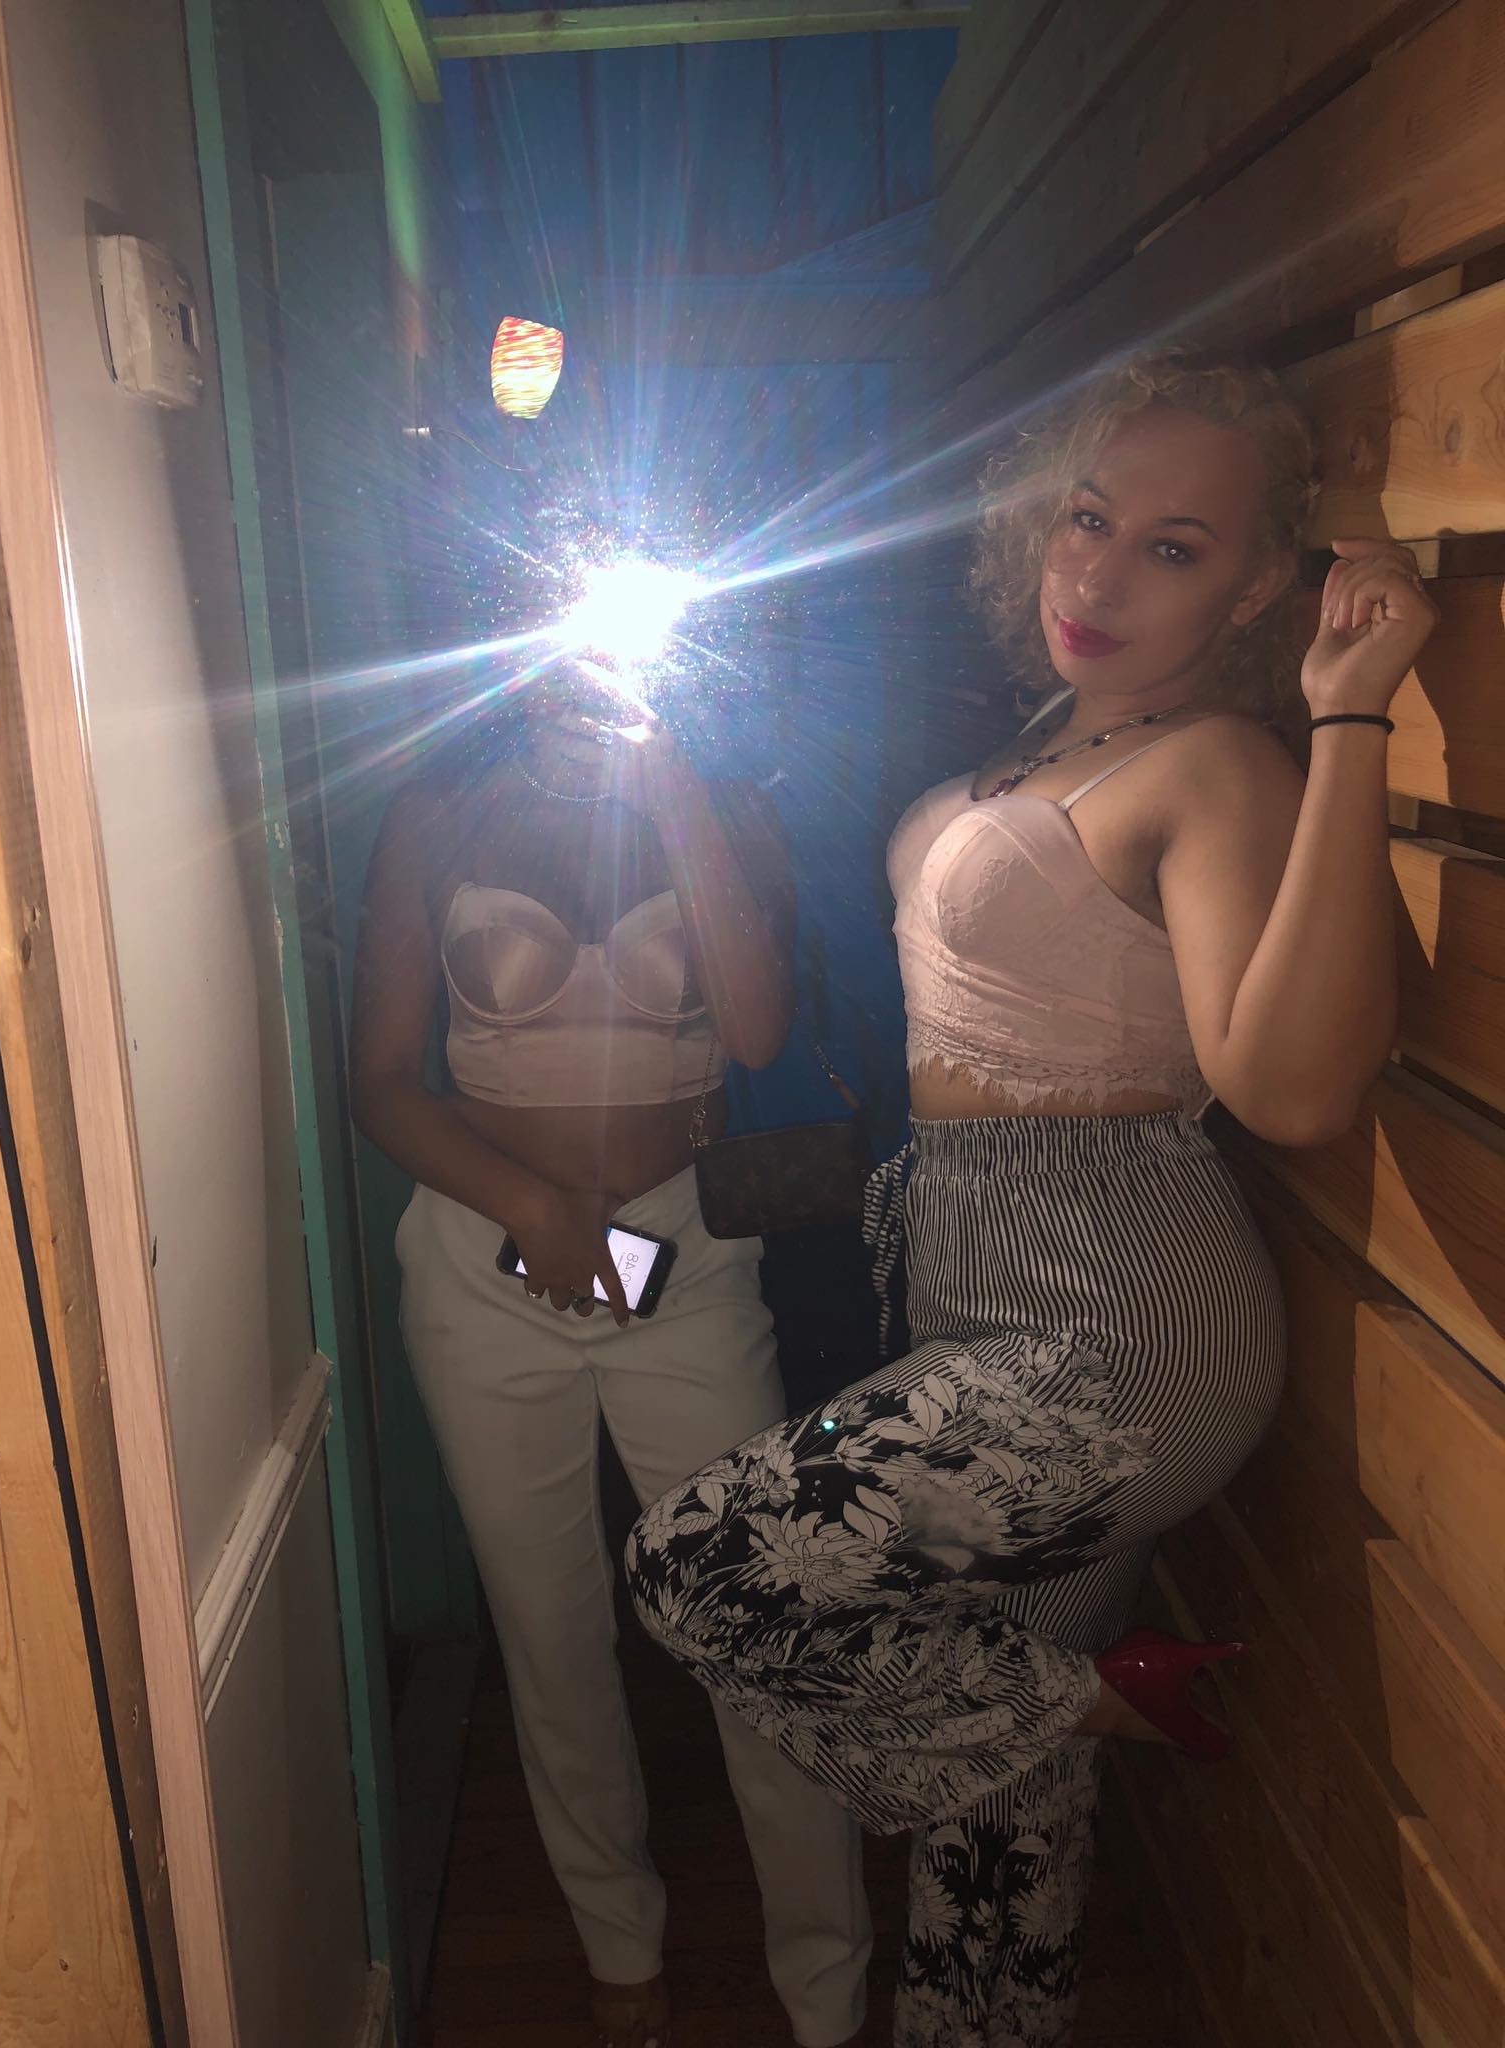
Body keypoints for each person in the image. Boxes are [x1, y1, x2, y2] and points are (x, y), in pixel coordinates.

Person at [625, 352, 1436, 2046]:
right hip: (976, 1294)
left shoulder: (1216, 763)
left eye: (1173, 548)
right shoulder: (1045, 745)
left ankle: (1110, 1703)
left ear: (1257, 588)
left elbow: (1291, 1090)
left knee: (701, 1570)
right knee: (995, 1849)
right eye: (1087, 518)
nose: (1099, 572)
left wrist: (1351, 713)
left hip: (1117, 1332)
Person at [350, 666, 873, 2048]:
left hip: (685, 1259)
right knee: (549, 1628)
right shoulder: (439, 811)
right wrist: (530, 1208)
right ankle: (615, 1940)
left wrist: (673, 783)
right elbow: (382, 1080)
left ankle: (827, 1983)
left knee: (758, 1608)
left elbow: (756, 1030)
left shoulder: (725, 803)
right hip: (483, 1256)